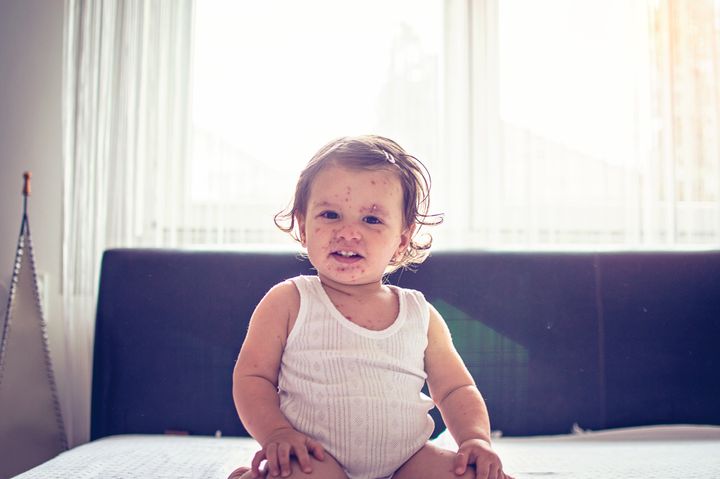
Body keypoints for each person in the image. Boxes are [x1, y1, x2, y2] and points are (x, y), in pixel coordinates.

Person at [229, 135, 512, 479]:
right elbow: (252, 378)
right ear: (304, 227)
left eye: (372, 220)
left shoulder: (418, 314)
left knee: (467, 475)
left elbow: (456, 389)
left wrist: (475, 439)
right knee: (299, 473)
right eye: (330, 214)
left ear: (402, 240)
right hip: (314, 456)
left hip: (407, 460)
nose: (348, 232)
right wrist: (277, 435)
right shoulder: (289, 301)